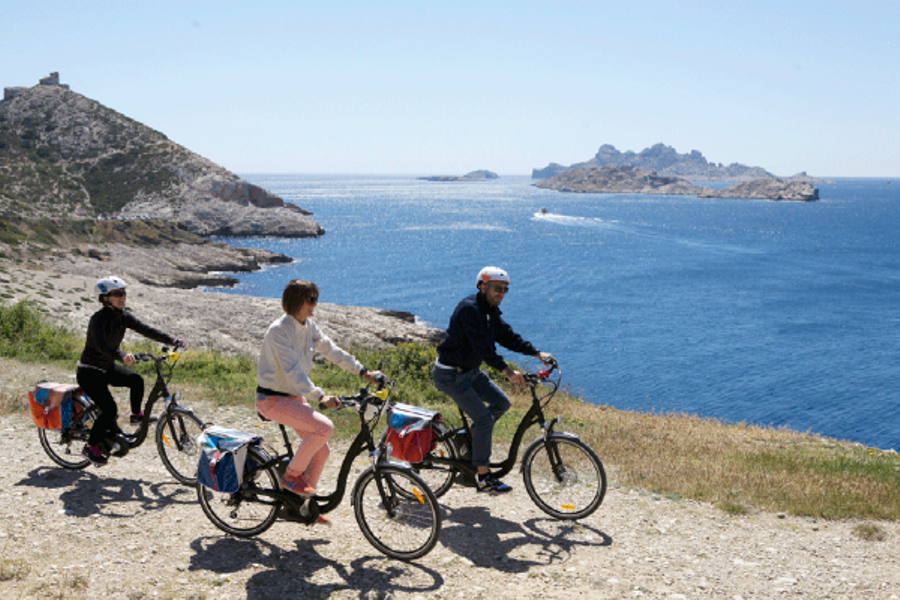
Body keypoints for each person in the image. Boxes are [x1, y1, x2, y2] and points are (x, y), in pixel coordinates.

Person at [256, 279, 382, 525]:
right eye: (310, 300)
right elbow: (293, 371)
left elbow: (331, 351)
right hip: (271, 399)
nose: (315, 305)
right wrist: (320, 396)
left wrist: (363, 372)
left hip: (292, 397)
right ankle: (291, 476)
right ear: (297, 302)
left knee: (322, 449)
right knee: (324, 428)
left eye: (315, 299)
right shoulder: (279, 331)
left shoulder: (308, 326)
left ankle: (305, 507)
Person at [432, 266, 555, 493]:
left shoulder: (489, 311)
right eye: (497, 288)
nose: (501, 293)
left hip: (470, 372)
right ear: (482, 286)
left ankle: (467, 440)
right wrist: (508, 372)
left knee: (502, 403)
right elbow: (483, 348)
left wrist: (536, 353)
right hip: (450, 375)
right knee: (485, 420)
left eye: (505, 290)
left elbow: (507, 336)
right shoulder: (470, 310)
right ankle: (483, 478)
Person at [77, 276, 185, 466]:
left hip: (107, 368)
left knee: (136, 380)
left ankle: (136, 416)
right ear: (105, 298)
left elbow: (146, 330)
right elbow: (101, 345)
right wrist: (121, 355)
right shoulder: (97, 320)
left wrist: (172, 340)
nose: (123, 297)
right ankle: (90, 446)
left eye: (124, 293)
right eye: (118, 294)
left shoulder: (123, 316)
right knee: (109, 409)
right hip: (90, 372)